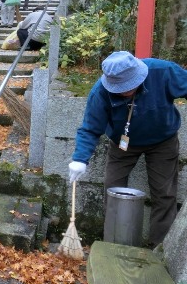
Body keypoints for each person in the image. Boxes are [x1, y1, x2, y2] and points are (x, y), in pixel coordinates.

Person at [68, 51, 187, 246]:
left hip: (163, 141)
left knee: (164, 193)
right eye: (118, 87)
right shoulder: (100, 92)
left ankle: (159, 248)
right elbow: (90, 128)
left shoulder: (163, 72)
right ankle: (113, 243)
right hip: (122, 144)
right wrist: (80, 159)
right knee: (112, 187)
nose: (123, 91)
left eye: (127, 86)